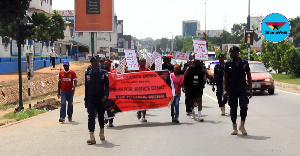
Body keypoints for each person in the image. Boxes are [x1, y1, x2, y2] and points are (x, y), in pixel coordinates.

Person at [223, 46, 252, 135]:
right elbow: (225, 78)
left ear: (237, 53)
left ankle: (242, 125)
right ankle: (234, 127)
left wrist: (250, 89)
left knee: (244, 106)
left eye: (233, 53)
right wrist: (224, 90)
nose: (231, 54)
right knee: (233, 108)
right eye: (230, 52)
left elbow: (249, 76)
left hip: (242, 88)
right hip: (232, 89)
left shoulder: (244, 63)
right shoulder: (228, 64)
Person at [85, 56, 109, 144]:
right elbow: (86, 88)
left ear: (98, 62)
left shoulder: (103, 73)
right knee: (91, 116)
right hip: (91, 99)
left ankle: (101, 132)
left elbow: (107, 86)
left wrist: (106, 95)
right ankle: (92, 136)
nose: (94, 63)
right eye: (92, 62)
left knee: (101, 116)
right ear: (91, 63)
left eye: (95, 61)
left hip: (100, 98)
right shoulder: (88, 74)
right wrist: (86, 100)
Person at [103, 59, 117, 127]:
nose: (105, 66)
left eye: (107, 64)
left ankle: (111, 121)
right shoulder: (102, 73)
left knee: (111, 108)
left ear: (109, 65)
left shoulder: (113, 72)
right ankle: (106, 117)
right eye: (104, 64)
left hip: (112, 93)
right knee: (104, 107)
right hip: (104, 92)